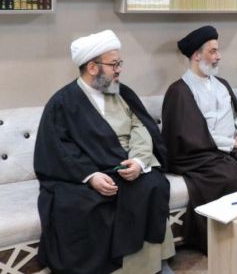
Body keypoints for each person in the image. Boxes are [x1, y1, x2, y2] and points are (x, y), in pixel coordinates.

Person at [34, 30, 174, 274]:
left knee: (153, 184)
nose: (119, 70)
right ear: (92, 67)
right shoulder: (62, 102)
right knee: (82, 205)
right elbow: (58, 149)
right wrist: (91, 176)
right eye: (113, 64)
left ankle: (153, 265)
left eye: (119, 63)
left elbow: (140, 127)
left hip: (126, 164)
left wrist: (139, 161)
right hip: (89, 171)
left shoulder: (122, 93)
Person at [161, 26, 237, 252]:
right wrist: (230, 144)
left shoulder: (222, 84)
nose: (218, 56)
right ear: (196, 55)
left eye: (218, 50)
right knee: (230, 177)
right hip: (199, 154)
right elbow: (190, 135)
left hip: (232, 148)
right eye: (213, 51)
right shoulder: (179, 91)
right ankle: (233, 243)